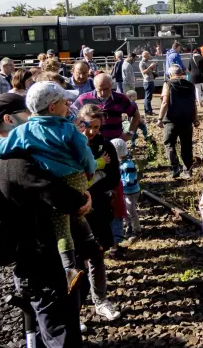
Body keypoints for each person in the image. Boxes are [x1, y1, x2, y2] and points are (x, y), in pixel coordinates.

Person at [0, 92, 88, 348]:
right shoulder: (17, 162)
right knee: (60, 331)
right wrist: (83, 199)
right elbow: (60, 197)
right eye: (27, 114)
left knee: (48, 326)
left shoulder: (1, 155)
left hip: (32, 259)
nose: (33, 118)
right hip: (42, 263)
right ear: (9, 119)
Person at [0, 81, 97, 293]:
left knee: (62, 226)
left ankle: (71, 265)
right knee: (73, 218)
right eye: (65, 102)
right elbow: (83, 154)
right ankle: (86, 248)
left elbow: (1, 147)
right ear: (53, 107)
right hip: (74, 180)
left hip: (56, 187)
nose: (68, 105)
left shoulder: (23, 133)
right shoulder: (66, 130)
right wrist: (89, 173)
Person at [75, 105, 125, 320]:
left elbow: (113, 178)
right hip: (75, 210)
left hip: (99, 208)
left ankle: (100, 300)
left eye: (96, 127)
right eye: (87, 126)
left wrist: (89, 180)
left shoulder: (106, 145)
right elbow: (72, 176)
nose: (91, 131)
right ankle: (75, 307)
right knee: (76, 260)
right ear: (79, 122)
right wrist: (98, 170)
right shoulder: (70, 144)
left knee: (97, 254)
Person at [74, 73, 140, 142]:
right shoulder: (84, 99)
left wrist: (130, 133)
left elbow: (136, 115)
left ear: (111, 85)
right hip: (90, 142)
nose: (103, 93)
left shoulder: (120, 99)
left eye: (106, 89)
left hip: (114, 142)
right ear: (95, 86)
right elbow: (71, 114)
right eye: (100, 89)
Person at [160, 65, 197, 179]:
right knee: (186, 145)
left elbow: (165, 102)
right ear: (181, 73)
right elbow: (194, 103)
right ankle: (187, 171)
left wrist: (159, 119)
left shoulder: (168, 84)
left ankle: (175, 167)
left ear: (170, 74)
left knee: (169, 143)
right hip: (187, 120)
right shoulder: (190, 85)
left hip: (171, 120)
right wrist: (195, 119)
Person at [118, 138, 141, 243]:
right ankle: (129, 226)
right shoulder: (121, 163)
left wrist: (119, 184)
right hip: (124, 191)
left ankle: (137, 230)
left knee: (131, 211)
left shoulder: (128, 165)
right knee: (125, 210)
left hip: (131, 192)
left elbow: (130, 181)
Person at [139, 51, 157, 116]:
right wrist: (150, 67)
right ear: (145, 56)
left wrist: (153, 67)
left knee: (149, 97)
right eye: (148, 55)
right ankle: (148, 111)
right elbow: (143, 72)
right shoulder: (142, 63)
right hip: (147, 82)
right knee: (148, 97)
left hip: (150, 81)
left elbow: (150, 71)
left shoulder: (147, 62)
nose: (150, 56)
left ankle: (149, 110)